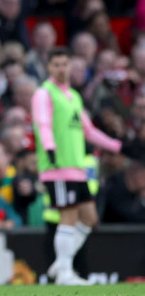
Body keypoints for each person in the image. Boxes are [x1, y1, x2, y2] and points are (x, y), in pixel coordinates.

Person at [31, 47, 122, 285]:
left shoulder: (73, 96)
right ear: (49, 67)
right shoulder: (44, 93)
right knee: (69, 216)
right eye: (56, 65)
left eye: (65, 64)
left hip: (77, 168)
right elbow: (42, 123)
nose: (61, 69)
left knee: (89, 218)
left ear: (71, 66)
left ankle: (62, 263)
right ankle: (65, 273)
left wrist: (117, 146)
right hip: (58, 167)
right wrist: (50, 147)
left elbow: (88, 131)